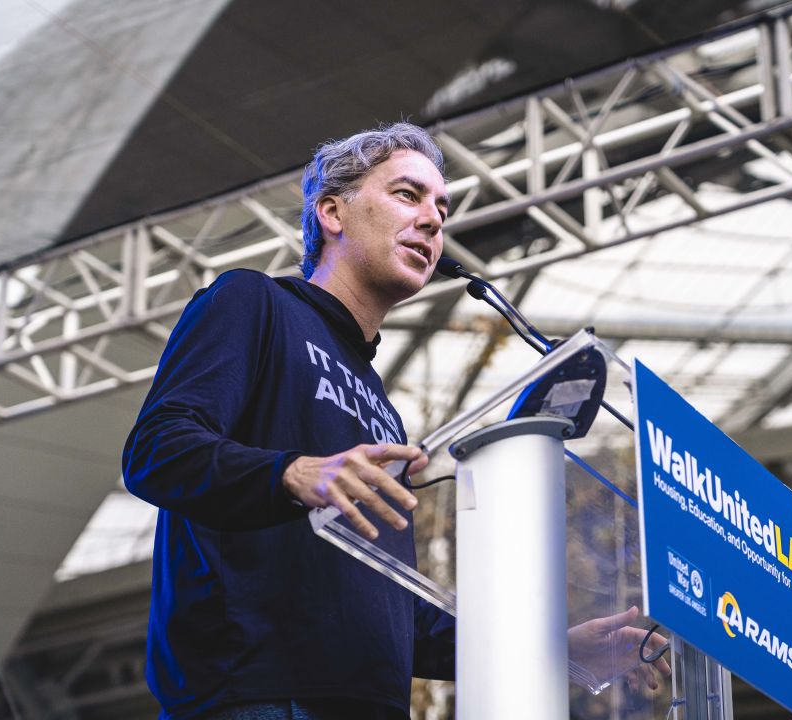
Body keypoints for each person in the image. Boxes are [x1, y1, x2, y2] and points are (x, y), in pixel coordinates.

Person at [123, 122, 669, 720]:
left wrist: (554, 652)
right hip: (258, 697)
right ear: (333, 212)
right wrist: (295, 474)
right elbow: (157, 450)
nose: (434, 221)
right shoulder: (253, 303)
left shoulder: (382, 408)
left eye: (442, 207)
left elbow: (399, 613)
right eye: (408, 195)